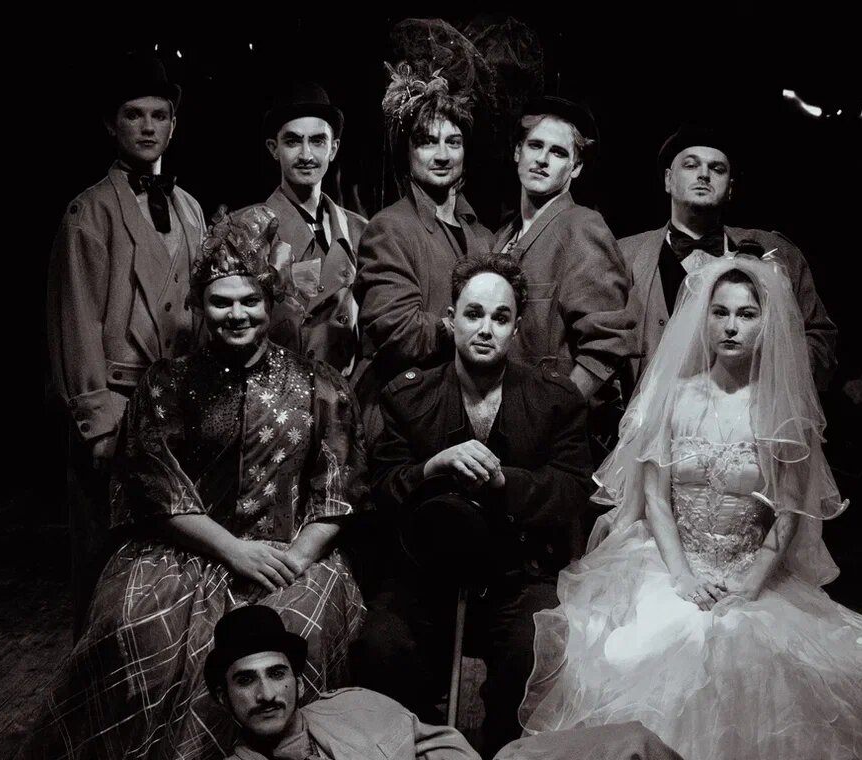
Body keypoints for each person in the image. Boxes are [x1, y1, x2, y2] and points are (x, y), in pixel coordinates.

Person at [518, 257, 862, 759]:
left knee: (780, 661)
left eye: (747, 314)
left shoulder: (780, 410)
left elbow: (789, 512)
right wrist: (683, 577)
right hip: (670, 565)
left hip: (749, 572)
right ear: (704, 319)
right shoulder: (672, 398)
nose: (731, 326)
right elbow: (655, 498)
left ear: (766, 324)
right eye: (721, 312)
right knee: (652, 647)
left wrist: (750, 584)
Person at [20, 206, 367, 760]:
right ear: (200, 306)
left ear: (270, 300)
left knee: (295, 627)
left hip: (288, 552)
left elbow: (337, 491)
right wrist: (233, 551)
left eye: (249, 300)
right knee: (133, 625)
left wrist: (295, 559)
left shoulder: (317, 384)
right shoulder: (166, 384)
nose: (237, 314)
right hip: (181, 554)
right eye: (221, 302)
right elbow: (154, 487)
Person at [359, 255, 593, 757]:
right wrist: (432, 467)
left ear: (517, 328)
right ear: (451, 319)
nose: (486, 328)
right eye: (473, 314)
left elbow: (571, 489)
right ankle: (420, 748)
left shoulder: (555, 399)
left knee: (535, 646)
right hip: (426, 577)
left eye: (500, 317)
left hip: (516, 575)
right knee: (383, 642)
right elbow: (380, 488)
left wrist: (505, 481)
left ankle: (503, 751)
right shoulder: (407, 397)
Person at [47, 53, 206, 634]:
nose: (147, 126)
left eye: (159, 115)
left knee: (175, 565)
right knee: (105, 566)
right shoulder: (88, 211)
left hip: (182, 409)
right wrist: (99, 422)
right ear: (111, 126)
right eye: (133, 115)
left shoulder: (190, 207)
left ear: (173, 125)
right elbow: (76, 322)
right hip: (120, 408)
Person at [620, 123, 837, 388]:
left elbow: (819, 337)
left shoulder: (777, 252)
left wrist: (772, 384)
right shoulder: (625, 255)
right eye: (691, 165)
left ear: (730, 188)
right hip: (650, 409)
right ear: (668, 180)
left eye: (717, 169)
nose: (704, 175)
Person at [353, 64, 494, 431]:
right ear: (408, 152)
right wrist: (467, 326)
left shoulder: (482, 236)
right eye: (427, 141)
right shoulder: (390, 228)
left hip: (463, 408)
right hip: (402, 411)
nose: (442, 155)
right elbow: (397, 331)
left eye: (453, 142)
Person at [491, 96, 633, 402]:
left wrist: (559, 414)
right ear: (517, 152)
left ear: (575, 167)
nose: (542, 159)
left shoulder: (582, 226)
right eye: (535, 145)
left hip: (546, 420)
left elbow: (607, 345)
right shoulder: (503, 236)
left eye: (558, 152)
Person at [206, 605, 479, 760]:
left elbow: (446, 748)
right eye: (245, 680)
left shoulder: (357, 708)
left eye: (277, 674)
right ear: (223, 697)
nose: (266, 694)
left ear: (299, 685)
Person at [255, 80, 367, 375]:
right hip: (277, 392)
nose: (306, 155)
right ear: (273, 148)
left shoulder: (361, 231)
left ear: (334, 148)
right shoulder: (249, 231)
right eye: (293, 141)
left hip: (344, 392)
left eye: (317, 141)